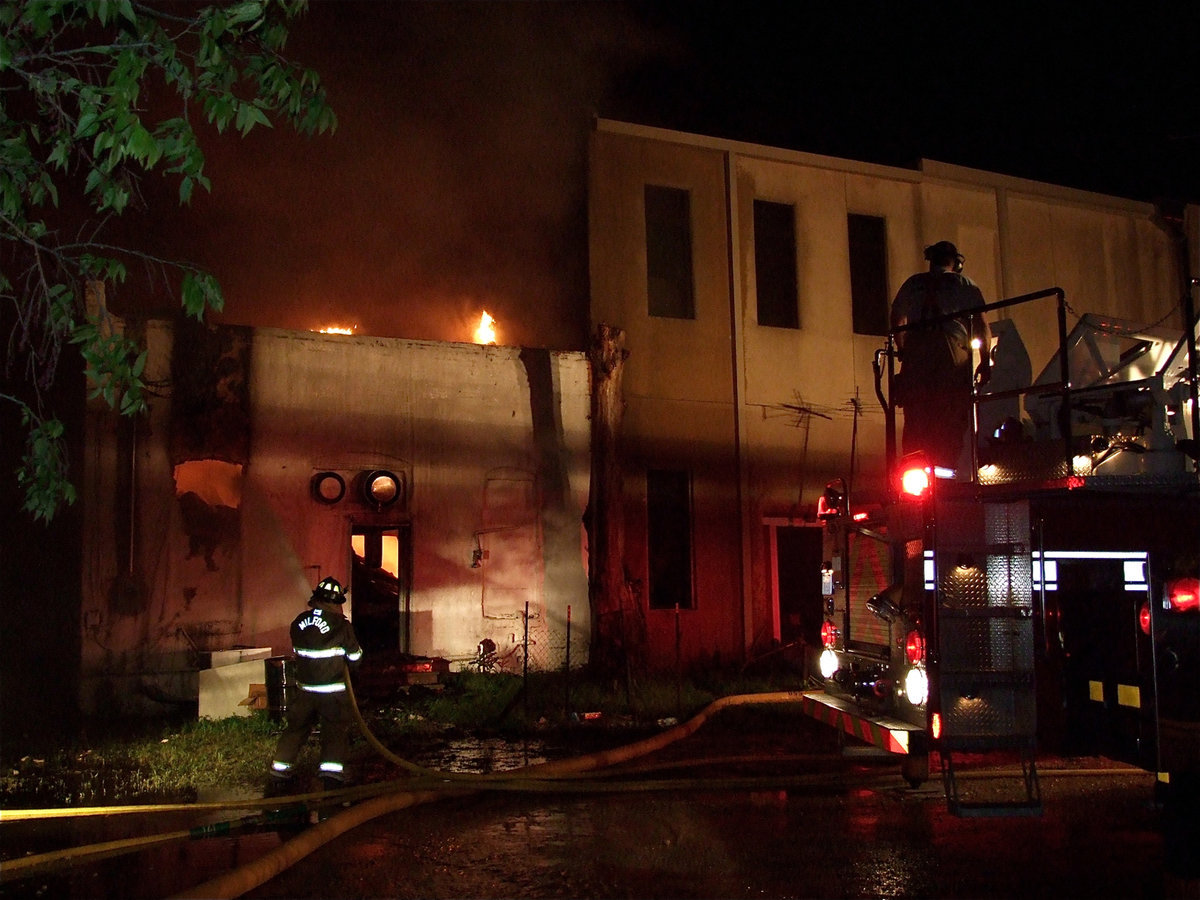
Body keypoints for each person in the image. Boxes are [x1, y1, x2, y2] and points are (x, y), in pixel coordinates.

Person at [890, 240, 991, 471]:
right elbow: (981, 326)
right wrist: (985, 362)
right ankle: (945, 472)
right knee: (951, 411)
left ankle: (915, 471)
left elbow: (897, 319)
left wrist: (904, 350)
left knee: (916, 414)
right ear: (956, 262)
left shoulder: (913, 284)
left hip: (916, 347)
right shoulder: (965, 284)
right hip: (950, 348)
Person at [269, 576, 363, 789]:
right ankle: (331, 776)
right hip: (333, 692)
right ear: (337, 602)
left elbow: (298, 653)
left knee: (296, 729)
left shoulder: (298, 622)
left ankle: (279, 770)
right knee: (334, 731)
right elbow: (356, 658)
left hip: (304, 691)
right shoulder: (341, 625)